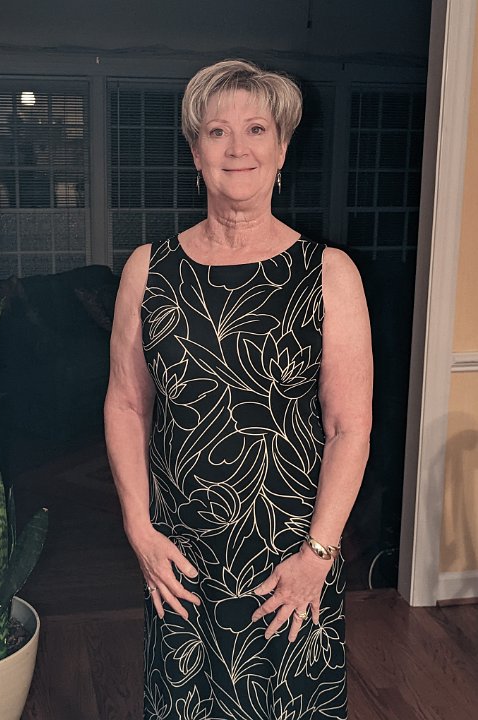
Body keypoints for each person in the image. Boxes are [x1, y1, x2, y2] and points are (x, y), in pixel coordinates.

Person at [105, 59, 372, 720]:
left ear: (281, 151)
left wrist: (318, 556)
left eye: (257, 129)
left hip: (290, 560)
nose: (237, 148)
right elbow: (128, 404)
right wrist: (138, 528)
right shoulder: (148, 270)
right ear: (195, 153)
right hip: (181, 560)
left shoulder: (329, 274)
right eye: (217, 132)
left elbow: (349, 428)